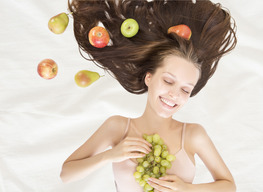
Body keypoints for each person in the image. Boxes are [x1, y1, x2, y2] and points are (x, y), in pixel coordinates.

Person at [60, 0, 237, 191]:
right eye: (168, 81)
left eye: (186, 90)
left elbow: (228, 186)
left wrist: (187, 189)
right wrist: (110, 155)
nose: (174, 94)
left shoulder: (194, 135)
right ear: (149, 78)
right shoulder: (118, 127)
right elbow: (66, 174)